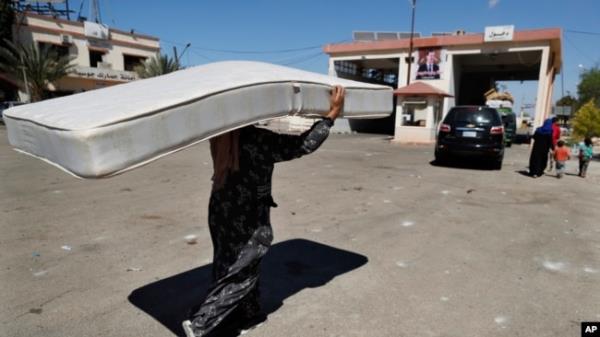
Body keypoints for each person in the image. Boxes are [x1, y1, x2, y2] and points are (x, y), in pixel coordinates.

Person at [182, 86, 345, 337]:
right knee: (244, 268)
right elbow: (302, 145)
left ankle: (247, 314)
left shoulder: (222, 135)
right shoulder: (256, 138)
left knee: (229, 262)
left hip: (221, 208)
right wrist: (332, 115)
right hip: (247, 213)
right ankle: (201, 324)